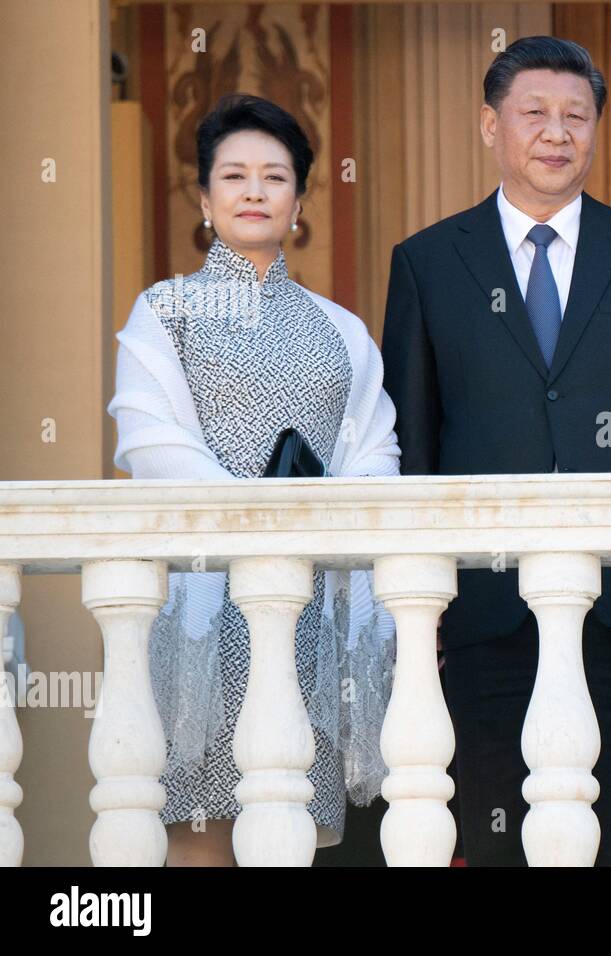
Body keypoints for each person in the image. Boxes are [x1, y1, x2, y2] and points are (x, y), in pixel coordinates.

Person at [381, 36, 611, 866]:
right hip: (485, 608)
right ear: (489, 126)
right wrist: (421, 597)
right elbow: (413, 447)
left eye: (577, 115)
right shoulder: (428, 263)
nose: (556, 132)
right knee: (499, 829)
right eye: (533, 112)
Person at [108, 93, 401, 866]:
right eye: (233, 176)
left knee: (286, 832)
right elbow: (151, 443)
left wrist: (311, 517)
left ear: (298, 202)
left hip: (308, 615)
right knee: (198, 836)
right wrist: (256, 520)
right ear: (205, 199)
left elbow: (376, 456)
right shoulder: (164, 313)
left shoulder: (343, 331)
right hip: (199, 613)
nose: (253, 191)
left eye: (274, 177)